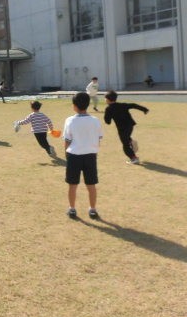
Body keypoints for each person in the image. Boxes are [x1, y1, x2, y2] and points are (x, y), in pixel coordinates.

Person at [63, 92, 103, 220]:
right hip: (90, 155)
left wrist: (66, 153)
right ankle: (93, 209)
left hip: (74, 156)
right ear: (88, 104)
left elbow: (67, 140)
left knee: (72, 185)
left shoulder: (70, 120)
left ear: (74, 106)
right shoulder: (95, 120)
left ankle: (72, 209)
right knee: (91, 185)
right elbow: (98, 138)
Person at [103, 90, 149, 165]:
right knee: (126, 138)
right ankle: (131, 141)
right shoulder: (122, 105)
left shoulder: (108, 109)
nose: (105, 100)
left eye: (105, 98)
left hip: (122, 128)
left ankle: (134, 158)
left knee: (125, 145)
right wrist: (145, 109)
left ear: (108, 99)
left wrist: (107, 117)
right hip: (130, 125)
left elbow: (108, 122)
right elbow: (133, 105)